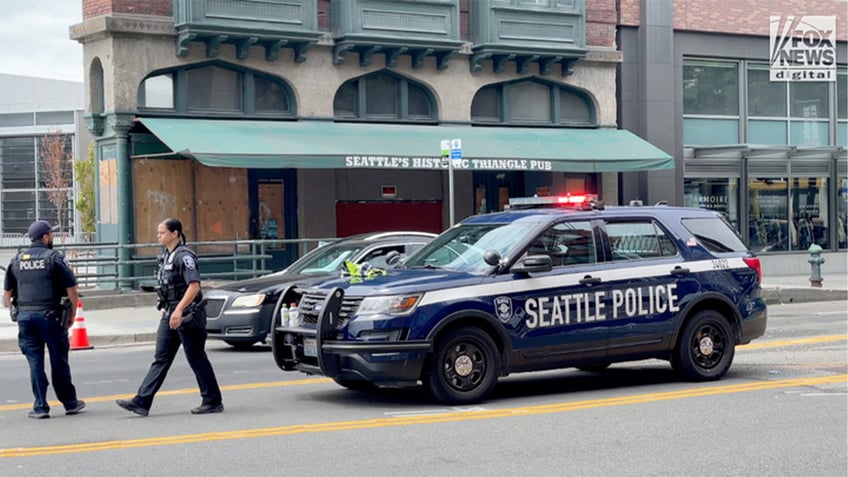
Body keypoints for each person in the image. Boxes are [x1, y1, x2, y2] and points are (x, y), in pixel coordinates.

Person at [117, 218, 223, 416]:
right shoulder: (166, 255)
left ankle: (212, 400)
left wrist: (179, 310)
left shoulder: (185, 256)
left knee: (196, 357)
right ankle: (142, 401)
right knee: (161, 358)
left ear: (174, 233)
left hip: (187, 314)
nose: (158, 236)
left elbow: (194, 286)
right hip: (170, 313)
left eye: (162, 233)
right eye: (158, 233)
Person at [3, 220, 85, 419]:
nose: (53, 237)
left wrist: (14, 310)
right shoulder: (55, 258)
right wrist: (73, 313)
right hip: (51, 317)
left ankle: (40, 406)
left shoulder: (17, 260)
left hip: (26, 317)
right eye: (51, 234)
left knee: (34, 362)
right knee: (58, 360)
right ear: (45, 237)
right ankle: (70, 403)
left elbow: (7, 293)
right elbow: (72, 289)